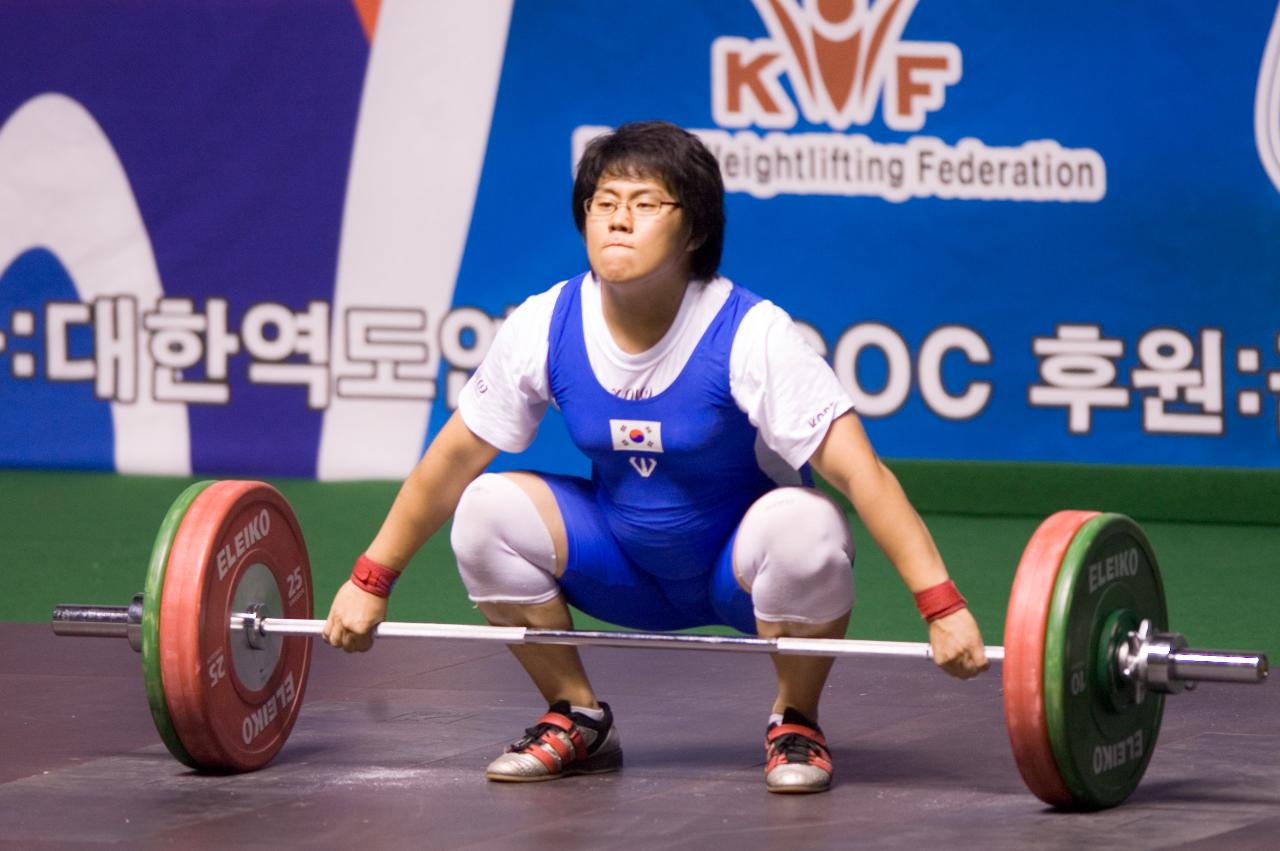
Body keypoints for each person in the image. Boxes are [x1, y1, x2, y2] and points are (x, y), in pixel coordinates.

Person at [322, 120, 989, 794]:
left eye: (645, 204)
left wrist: (941, 605)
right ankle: (577, 717)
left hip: (741, 573)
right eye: (604, 202)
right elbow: (453, 458)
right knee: (484, 510)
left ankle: (795, 718)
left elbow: (860, 472)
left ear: (693, 228)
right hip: (616, 559)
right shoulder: (544, 321)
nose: (619, 220)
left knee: (809, 525)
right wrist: (372, 577)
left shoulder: (752, 333)